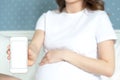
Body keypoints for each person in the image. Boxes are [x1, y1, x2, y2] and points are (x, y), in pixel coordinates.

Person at [7, 0, 117, 80]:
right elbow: (34, 46)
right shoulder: (47, 17)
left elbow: (108, 68)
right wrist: (28, 53)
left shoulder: (98, 18)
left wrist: (64, 54)